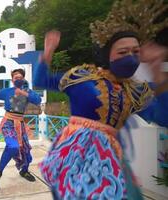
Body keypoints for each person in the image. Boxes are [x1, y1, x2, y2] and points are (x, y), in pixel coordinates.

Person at [33, 0, 168, 199]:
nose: (130, 57)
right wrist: (47, 54)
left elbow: (164, 118)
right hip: (75, 152)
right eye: (123, 52)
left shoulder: (136, 91)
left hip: (110, 157)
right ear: (107, 55)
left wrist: (157, 73)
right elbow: (40, 80)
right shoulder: (81, 77)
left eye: (136, 52)